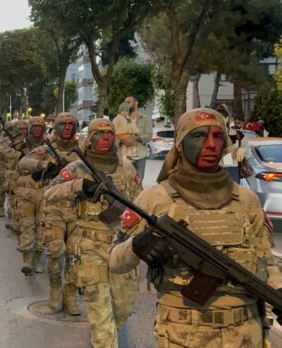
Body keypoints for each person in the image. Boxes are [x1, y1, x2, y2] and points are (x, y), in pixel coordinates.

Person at [110, 108, 282, 347]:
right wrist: (136, 246)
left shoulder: (246, 200)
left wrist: (278, 291)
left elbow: (266, 259)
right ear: (180, 143)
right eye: (199, 136)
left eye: (218, 136)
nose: (211, 145)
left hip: (246, 330)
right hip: (184, 334)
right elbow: (116, 261)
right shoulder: (156, 198)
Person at [43, 119, 141, 348]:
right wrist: (78, 186)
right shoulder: (78, 167)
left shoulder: (126, 167)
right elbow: (50, 193)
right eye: (100, 134)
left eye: (110, 133)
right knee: (100, 310)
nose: (106, 138)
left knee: (123, 308)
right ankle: (103, 340)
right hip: (89, 245)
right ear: (90, 139)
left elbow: (140, 201)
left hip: (122, 245)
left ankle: (105, 336)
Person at [38, 112, 82, 315]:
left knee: (75, 255)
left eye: (71, 124)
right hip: (54, 207)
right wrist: (46, 165)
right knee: (56, 252)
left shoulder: (82, 151)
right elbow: (24, 163)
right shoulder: (47, 149)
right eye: (63, 124)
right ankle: (56, 290)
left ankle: (70, 295)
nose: (67, 128)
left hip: (77, 208)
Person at [13, 116, 47, 275]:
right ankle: (27, 259)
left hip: (44, 191)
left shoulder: (49, 146)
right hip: (26, 191)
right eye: (35, 126)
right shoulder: (21, 144)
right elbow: (18, 163)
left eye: (40, 126)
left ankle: (38, 258)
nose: (38, 129)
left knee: (42, 227)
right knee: (27, 224)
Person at [113, 96, 152, 179]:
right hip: (124, 157)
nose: (126, 104)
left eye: (128, 102)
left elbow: (149, 136)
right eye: (125, 102)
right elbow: (113, 135)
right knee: (124, 182)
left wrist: (134, 138)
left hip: (140, 156)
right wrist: (122, 141)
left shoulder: (145, 119)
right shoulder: (120, 119)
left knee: (138, 182)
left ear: (136, 103)